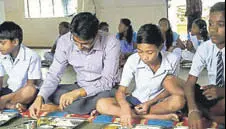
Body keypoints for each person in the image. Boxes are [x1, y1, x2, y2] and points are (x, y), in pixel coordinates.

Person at [29, 12, 120, 118]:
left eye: (85, 43)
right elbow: (54, 74)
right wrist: (40, 97)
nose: (80, 47)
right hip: (79, 86)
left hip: (104, 90)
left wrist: (78, 93)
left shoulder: (111, 42)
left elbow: (107, 81)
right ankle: (82, 108)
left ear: (96, 35)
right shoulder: (64, 41)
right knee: (48, 92)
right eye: (76, 42)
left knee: (103, 100)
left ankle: (60, 107)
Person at [96, 24, 185, 128]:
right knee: (101, 104)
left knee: (179, 100)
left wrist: (150, 103)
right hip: (136, 101)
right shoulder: (133, 60)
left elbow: (170, 89)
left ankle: (139, 115)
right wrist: (125, 108)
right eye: (140, 51)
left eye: (149, 52)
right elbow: (121, 90)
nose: (144, 57)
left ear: (160, 47)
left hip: (158, 104)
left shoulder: (172, 59)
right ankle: (154, 117)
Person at [184, 2, 225, 129]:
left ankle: (209, 116)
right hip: (211, 96)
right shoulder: (205, 48)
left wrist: (222, 91)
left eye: (220, 24)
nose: (213, 29)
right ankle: (208, 115)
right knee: (175, 85)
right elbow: (190, 82)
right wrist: (193, 110)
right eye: (210, 24)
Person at [0, 21, 42, 111]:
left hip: (25, 94)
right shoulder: (1, 55)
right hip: (10, 91)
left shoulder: (32, 56)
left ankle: (6, 103)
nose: (0, 46)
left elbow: (31, 85)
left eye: (2, 43)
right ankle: (12, 105)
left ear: (15, 42)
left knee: (30, 91)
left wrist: (4, 98)